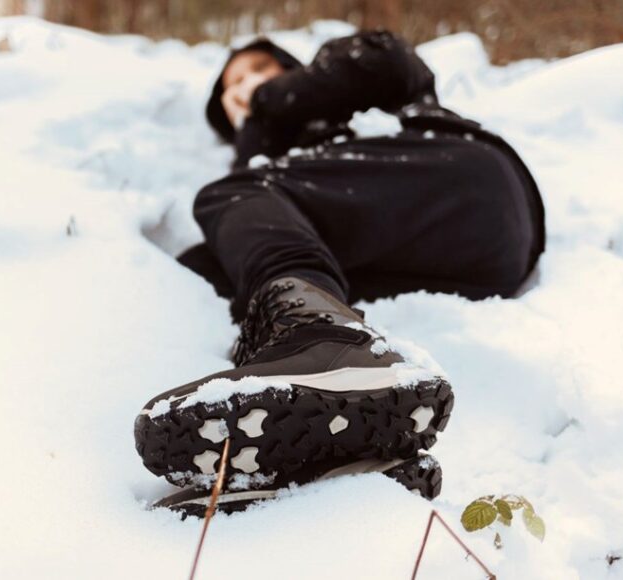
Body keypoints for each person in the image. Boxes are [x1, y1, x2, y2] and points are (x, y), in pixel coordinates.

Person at [134, 30, 545, 515]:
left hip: (461, 181)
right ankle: (344, 458)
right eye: (233, 85)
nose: (246, 84)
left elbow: (387, 59)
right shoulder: (278, 169)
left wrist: (270, 99)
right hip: (470, 264)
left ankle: (323, 340)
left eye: (260, 68)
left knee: (230, 196)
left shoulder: (336, 89)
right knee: (214, 262)